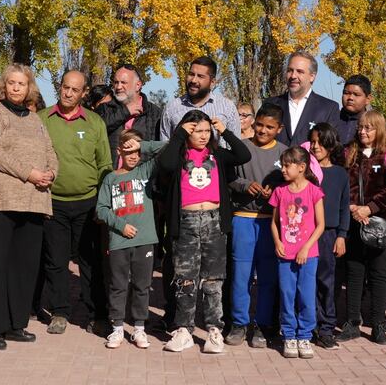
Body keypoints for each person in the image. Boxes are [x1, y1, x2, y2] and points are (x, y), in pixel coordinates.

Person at [0, 64, 56, 351]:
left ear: (29, 87)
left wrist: (50, 173)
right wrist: (29, 173)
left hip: (32, 200)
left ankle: (15, 323)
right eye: (12, 83)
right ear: (3, 86)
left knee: (23, 266)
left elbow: (49, 152)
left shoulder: (35, 120)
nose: (17, 88)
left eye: (22, 83)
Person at [157, 110, 250, 353]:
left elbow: (244, 154)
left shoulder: (217, 154)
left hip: (214, 221)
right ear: (187, 131)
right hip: (186, 221)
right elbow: (164, 163)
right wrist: (178, 135)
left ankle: (213, 331)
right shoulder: (178, 155)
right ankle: (184, 330)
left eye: (207, 131)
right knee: (185, 278)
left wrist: (226, 131)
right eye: (197, 130)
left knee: (213, 279)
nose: (202, 135)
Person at [38, 70, 112, 335]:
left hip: (88, 203)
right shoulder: (42, 119)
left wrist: (103, 203)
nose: (68, 93)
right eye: (64, 88)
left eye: (74, 90)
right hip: (53, 203)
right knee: (56, 261)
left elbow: (105, 163)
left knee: (90, 262)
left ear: (84, 92)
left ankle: (97, 314)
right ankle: (59, 312)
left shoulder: (94, 122)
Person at [96, 129, 166, 350]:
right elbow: (101, 209)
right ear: (119, 151)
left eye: (137, 151)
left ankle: (139, 329)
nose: (134, 156)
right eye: (129, 151)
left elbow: (166, 149)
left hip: (145, 240)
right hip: (119, 241)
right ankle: (117, 328)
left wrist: (141, 144)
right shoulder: (110, 178)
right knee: (118, 286)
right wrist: (120, 225)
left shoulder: (145, 171)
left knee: (142, 286)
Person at [226, 104, 287, 349]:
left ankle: (262, 325)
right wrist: (244, 185)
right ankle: (239, 324)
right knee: (240, 278)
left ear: (279, 129)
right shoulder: (243, 148)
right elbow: (228, 176)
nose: (262, 130)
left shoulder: (285, 153)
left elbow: (294, 182)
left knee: (267, 278)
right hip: (242, 218)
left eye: (269, 127)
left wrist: (277, 190)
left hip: (270, 224)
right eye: (259, 124)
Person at [338, 110, 386, 344]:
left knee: (379, 274)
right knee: (354, 272)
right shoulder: (348, 152)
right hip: (353, 220)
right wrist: (352, 207)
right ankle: (353, 321)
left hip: (379, 223)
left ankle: (378, 325)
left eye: (369, 128)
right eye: (361, 127)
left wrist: (370, 208)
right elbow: (342, 183)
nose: (363, 132)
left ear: (379, 129)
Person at [269, 146, 325, 359]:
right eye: (282, 165)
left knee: (306, 296)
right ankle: (289, 335)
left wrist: (306, 247)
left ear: (302, 167)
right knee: (287, 294)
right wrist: (277, 242)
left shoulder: (314, 191)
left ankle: (305, 336)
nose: (283, 169)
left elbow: (320, 225)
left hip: (307, 255)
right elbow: (274, 223)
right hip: (285, 255)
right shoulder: (280, 192)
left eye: (287, 165)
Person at [307, 122, 350, 349]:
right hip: (305, 233)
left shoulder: (340, 174)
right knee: (307, 281)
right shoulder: (305, 171)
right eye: (312, 141)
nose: (315, 147)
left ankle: (326, 327)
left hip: (329, 234)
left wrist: (342, 235)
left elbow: (344, 207)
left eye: (320, 142)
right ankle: (309, 324)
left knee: (327, 281)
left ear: (331, 144)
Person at [264, 51, 340, 147]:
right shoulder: (270, 104)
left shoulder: (328, 108)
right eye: (290, 70)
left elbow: (331, 146)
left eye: (300, 71)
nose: (293, 76)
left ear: (312, 77)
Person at [160, 56, 240, 142]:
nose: (194, 80)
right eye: (191, 74)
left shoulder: (227, 107)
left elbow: (236, 146)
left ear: (212, 82)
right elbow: (164, 147)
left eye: (200, 76)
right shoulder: (171, 108)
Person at [96, 64, 163, 155]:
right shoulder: (105, 108)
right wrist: (125, 112)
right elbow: (95, 131)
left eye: (123, 82)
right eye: (116, 82)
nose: (118, 87)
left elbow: (159, 146)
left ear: (138, 85)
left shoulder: (155, 113)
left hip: (142, 168)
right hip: (111, 168)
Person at [338, 75, 372, 147]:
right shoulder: (332, 118)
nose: (350, 98)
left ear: (368, 99)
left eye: (356, 94)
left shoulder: (373, 125)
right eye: (346, 93)